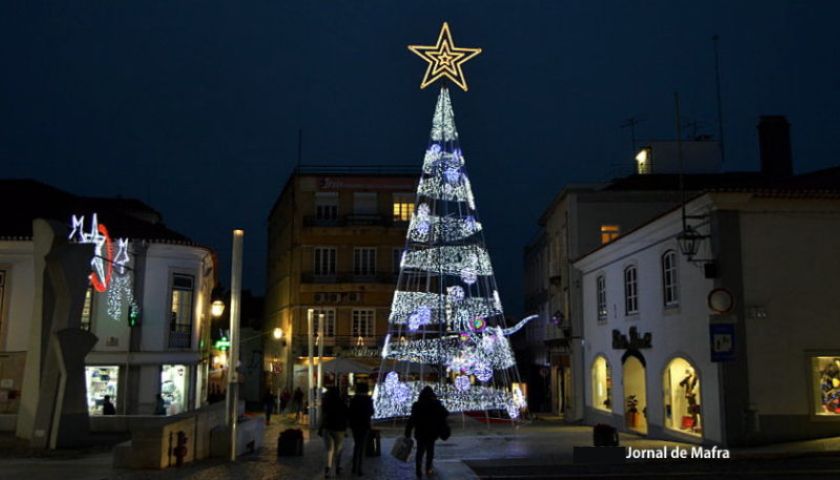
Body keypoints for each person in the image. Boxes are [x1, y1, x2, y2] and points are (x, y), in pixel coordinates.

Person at [405, 386, 449, 479]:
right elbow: (445, 413)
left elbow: (412, 419)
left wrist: (408, 432)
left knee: (420, 451)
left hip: (420, 432)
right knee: (430, 451)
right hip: (432, 432)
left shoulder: (417, 405)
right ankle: (428, 468)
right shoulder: (435, 404)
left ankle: (418, 470)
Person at [319, 387, 348, 478]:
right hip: (339, 429)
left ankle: (328, 468)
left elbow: (323, 417)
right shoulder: (342, 403)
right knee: (338, 450)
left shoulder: (326, 403)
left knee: (329, 450)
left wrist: (321, 427)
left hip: (327, 428)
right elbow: (346, 416)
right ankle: (337, 468)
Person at [348, 383, 374, 476]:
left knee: (357, 445)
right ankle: (359, 469)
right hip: (364, 425)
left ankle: (354, 466)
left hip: (355, 425)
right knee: (362, 446)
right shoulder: (368, 400)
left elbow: (350, 413)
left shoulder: (353, 400)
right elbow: (371, 412)